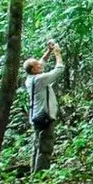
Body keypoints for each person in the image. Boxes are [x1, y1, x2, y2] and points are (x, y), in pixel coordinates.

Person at [23, 40, 64, 172]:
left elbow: (41, 62)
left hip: (36, 116)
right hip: (45, 117)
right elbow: (59, 70)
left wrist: (49, 51)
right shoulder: (39, 79)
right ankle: (41, 175)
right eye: (37, 64)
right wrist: (57, 54)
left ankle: (34, 173)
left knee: (37, 146)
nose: (40, 64)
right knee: (45, 147)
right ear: (34, 69)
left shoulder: (30, 79)